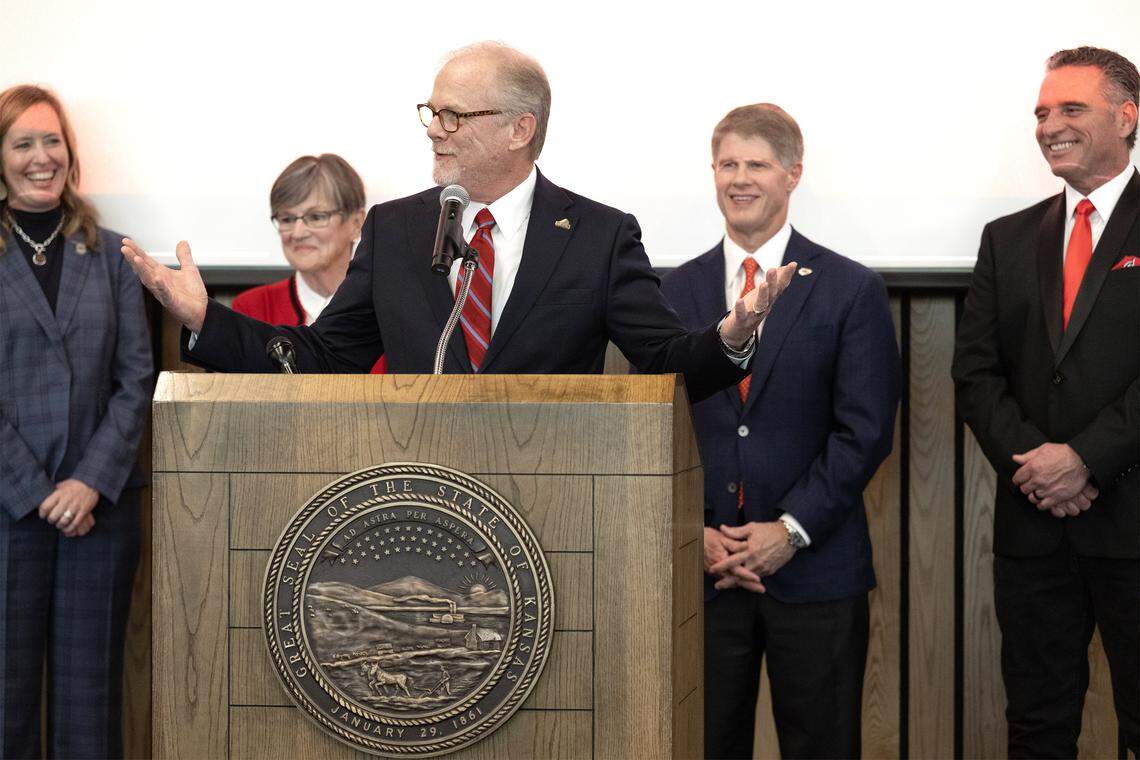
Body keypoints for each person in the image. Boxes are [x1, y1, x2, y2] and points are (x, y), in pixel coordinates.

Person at [120, 42, 795, 400]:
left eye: (456, 117)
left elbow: (665, 363)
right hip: (425, 499)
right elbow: (326, 359)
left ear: (518, 130)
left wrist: (730, 337)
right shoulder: (395, 231)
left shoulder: (597, 236)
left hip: (555, 497)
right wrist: (207, 319)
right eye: (432, 112)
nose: (435, 131)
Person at [662, 104, 899, 759]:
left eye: (757, 164)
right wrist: (695, 534)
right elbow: (658, 429)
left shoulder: (850, 289)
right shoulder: (671, 293)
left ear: (792, 174)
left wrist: (788, 531)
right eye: (728, 164)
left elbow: (866, 432)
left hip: (816, 571)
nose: (741, 179)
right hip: (703, 576)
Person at [952, 46, 1138, 756]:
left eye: (1070, 109)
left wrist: (1085, 460)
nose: (1048, 125)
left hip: (1132, 523)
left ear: (1127, 117)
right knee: (1036, 727)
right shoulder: (1007, 240)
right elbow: (975, 373)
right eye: (1040, 113)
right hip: (1034, 532)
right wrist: (1040, 467)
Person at [0, 85, 152, 758]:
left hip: (101, 513)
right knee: (5, 701)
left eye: (52, 140)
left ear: (71, 150)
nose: (42, 157)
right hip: (8, 513)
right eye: (23, 142)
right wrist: (37, 493)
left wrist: (87, 484)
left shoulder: (114, 254)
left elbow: (135, 380)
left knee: (90, 704)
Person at [232, 154, 386, 372]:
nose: (298, 232)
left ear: (356, 223)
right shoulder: (252, 308)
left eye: (316, 217)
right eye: (287, 219)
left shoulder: (389, 308)